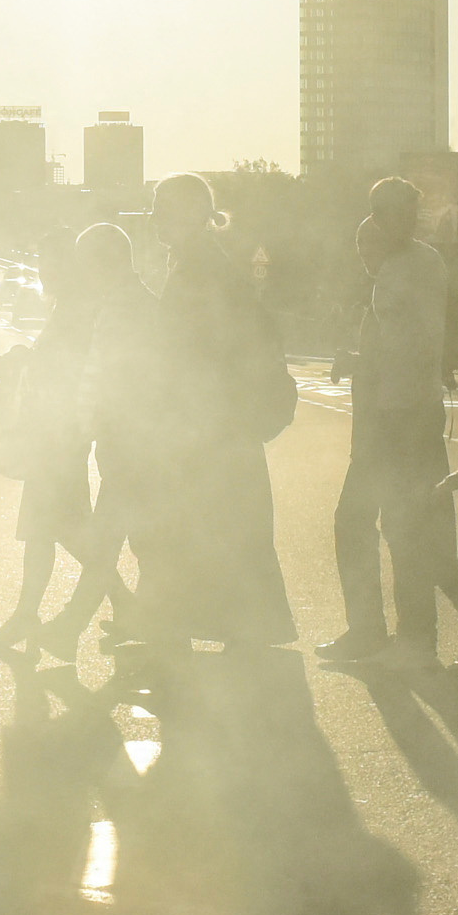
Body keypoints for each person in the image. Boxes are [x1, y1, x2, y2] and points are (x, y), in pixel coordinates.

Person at [320, 179, 458, 671]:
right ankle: (430, 633)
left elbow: (404, 349)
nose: (368, 250)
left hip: (400, 417)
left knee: (379, 525)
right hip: (396, 415)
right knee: (406, 529)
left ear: (406, 215)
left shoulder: (409, 268)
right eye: (364, 239)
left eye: (379, 231)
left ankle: (400, 636)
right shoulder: (412, 265)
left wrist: (361, 362)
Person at [118, 177, 299, 654]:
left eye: (161, 207)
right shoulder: (200, 261)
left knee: (198, 524)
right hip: (217, 421)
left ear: (187, 213)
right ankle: (235, 626)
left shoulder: (199, 267)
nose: (154, 215)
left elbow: (197, 348)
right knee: (224, 527)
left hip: (208, 421)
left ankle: (186, 623)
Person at [0, 226, 136, 661]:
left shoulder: (77, 310)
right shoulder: (71, 307)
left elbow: (71, 372)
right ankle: (42, 612)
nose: (39, 269)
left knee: (59, 527)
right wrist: (22, 362)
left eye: (46, 260)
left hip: (60, 435)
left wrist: (22, 367)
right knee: (47, 527)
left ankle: (123, 607)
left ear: (66, 266)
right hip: (57, 432)